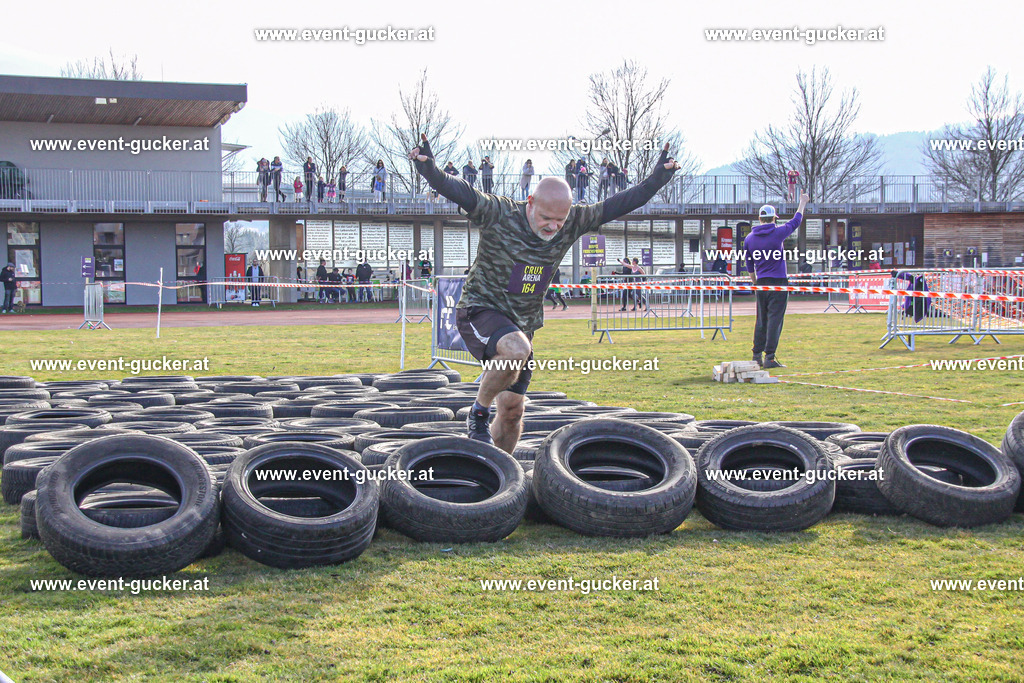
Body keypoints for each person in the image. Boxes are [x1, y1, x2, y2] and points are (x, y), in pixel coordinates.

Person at [408, 133, 680, 451]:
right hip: (481, 310)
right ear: (531, 202)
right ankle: (478, 413)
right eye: (546, 218)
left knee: (512, 412)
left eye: (559, 220)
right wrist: (429, 169)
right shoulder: (499, 213)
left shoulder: (575, 221)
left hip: (523, 324)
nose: (552, 227)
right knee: (516, 350)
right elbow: (460, 190)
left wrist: (660, 176)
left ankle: (498, 475)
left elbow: (624, 201)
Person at [740, 193, 809, 369]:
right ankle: (769, 357)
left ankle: (756, 355)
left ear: (759, 218)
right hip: (778, 282)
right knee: (775, 320)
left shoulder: (749, 239)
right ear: (773, 218)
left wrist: (755, 282)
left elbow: (749, 265)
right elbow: (796, 221)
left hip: (761, 282)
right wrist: (802, 202)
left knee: (761, 319)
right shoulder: (777, 233)